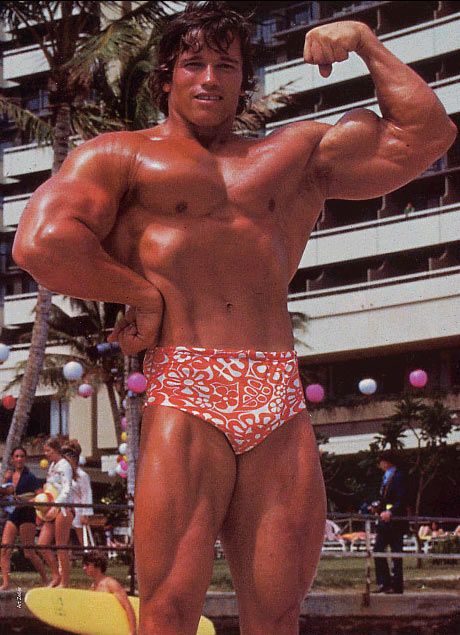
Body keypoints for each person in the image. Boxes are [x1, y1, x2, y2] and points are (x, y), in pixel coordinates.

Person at [11, 2, 456, 633]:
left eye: (226, 65)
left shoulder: (292, 156)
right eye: (193, 64)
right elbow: (41, 242)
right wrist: (142, 296)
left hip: (275, 390)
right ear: (166, 76)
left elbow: (426, 134)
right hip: (186, 383)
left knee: (277, 615)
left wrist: (363, 40)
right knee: (168, 612)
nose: (210, 79)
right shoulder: (122, 156)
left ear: (245, 78)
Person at [0, 447, 48, 589]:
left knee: (29, 552)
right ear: (12, 459)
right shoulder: (10, 475)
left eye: (22, 456)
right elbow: (4, 493)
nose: (19, 459)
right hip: (14, 513)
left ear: (25, 459)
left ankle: (46, 580)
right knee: (5, 549)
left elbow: (40, 495)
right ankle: (6, 583)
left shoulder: (30, 477)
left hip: (27, 513)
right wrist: (5, 479)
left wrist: (26, 502)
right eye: (17, 456)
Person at [37, 437, 74, 587]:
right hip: (51, 506)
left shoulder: (65, 466)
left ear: (56, 450)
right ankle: (56, 575)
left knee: (61, 546)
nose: (46, 454)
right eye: (45, 451)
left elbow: (66, 489)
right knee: (42, 544)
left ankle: (64, 581)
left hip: (63, 508)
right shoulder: (52, 465)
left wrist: (56, 505)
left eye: (48, 451)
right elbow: (51, 485)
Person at [372, 450, 407, 594]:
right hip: (384, 522)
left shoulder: (398, 477)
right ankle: (384, 582)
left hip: (395, 522)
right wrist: (377, 507)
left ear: (387, 462)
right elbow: (384, 498)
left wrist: (391, 512)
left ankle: (396, 585)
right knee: (378, 549)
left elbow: (401, 499)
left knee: (396, 553)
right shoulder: (385, 477)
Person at [82, 552, 137, 635]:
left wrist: (132, 631)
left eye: (87, 565)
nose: (84, 568)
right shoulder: (93, 586)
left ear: (97, 565)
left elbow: (127, 606)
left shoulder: (110, 584)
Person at [61, 440, 94, 547]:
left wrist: (85, 514)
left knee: (83, 539)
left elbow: (86, 495)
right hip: (66, 510)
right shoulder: (64, 474)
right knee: (64, 540)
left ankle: (91, 555)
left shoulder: (82, 475)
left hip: (78, 510)